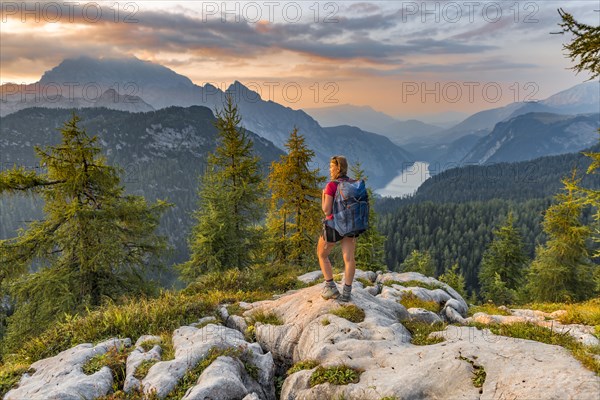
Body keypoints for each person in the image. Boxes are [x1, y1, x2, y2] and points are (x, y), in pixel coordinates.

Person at [317, 155, 358, 302]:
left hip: (334, 226)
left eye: (331, 166)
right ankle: (347, 293)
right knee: (349, 259)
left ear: (338, 168)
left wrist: (323, 195)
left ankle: (331, 287)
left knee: (322, 254)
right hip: (351, 225)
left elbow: (327, 211)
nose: (329, 169)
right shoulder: (353, 184)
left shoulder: (331, 185)